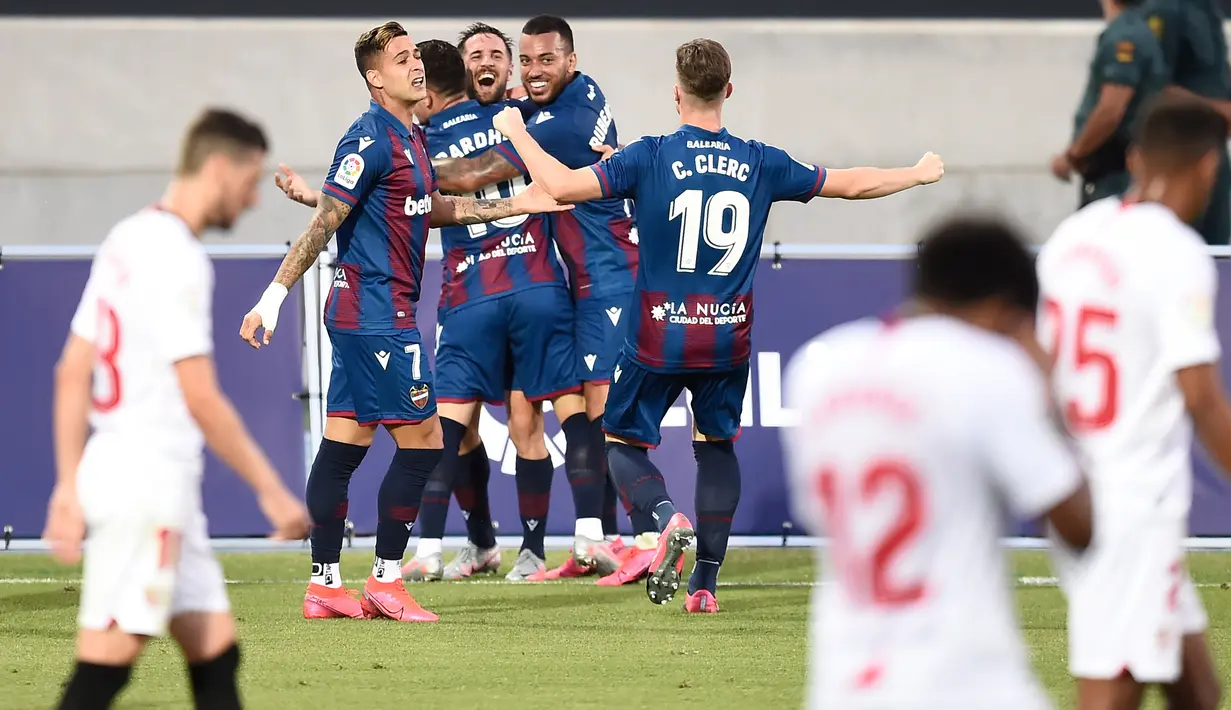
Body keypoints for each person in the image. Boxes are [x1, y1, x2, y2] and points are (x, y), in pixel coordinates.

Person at [489, 38, 944, 610]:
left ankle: (662, 517)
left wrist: (516, 130)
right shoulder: (759, 160)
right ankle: (704, 584)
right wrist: (918, 173)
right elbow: (850, 183)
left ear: (676, 94)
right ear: (727, 91)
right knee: (716, 447)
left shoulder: (648, 154)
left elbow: (557, 186)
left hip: (659, 331)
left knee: (621, 442)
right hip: (727, 335)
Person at [237, 21, 569, 622]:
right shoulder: (368, 139)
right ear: (374, 77)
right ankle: (385, 579)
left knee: (344, 444)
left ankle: (324, 585)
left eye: (416, 55)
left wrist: (517, 203)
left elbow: (435, 208)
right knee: (425, 444)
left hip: (372, 314)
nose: (416, 65)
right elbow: (326, 223)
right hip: (374, 317)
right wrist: (273, 296)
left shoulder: (411, 135)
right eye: (400, 59)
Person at [43, 108, 312, 710]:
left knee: (215, 648)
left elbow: (71, 372)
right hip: (149, 485)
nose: (248, 204)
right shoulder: (177, 256)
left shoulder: (128, 237)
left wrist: (67, 487)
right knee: (106, 663)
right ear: (218, 169)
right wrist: (271, 491)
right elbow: (201, 395)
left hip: (137, 478)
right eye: (249, 184)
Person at [781, 218, 1094, 710]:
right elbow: (1080, 526)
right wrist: (1050, 393)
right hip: (965, 682)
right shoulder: (986, 370)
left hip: (843, 685)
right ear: (1002, 309)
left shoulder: (818, 369)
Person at [429, 16, 659, 584]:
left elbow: (472, 174)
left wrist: (401, 175)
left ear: (570, 61)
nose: (533, 72)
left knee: (603, 419)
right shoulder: (542, 108)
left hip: (605, 279)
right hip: (570, 285)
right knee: (578, 412)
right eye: (525, 62)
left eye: (543, 62)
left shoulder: (550, 124)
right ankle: (592, 545)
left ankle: (645, 537)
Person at [1039, 94, 1229, 710]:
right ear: (1208, 168)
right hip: (1133, 506)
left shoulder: (1076, 235)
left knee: (1195, 686)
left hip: (1073, 495)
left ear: (1136, 157)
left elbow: (1041, 365)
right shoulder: (1176, 252)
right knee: (1114, 683)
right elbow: (1200, 398)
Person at [1052, 0, 1166, 206]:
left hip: (1116, 177)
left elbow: (1111, 110)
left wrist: (1072, 155)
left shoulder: (1125, 36)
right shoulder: (1141, 29)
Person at [1144, 0, 1231, 245]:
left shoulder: (1207, 9)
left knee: (1216, 248)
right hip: (1180, 157)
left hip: (1213, 150)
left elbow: (1214, 74)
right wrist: (1219, 110)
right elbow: (1155, 87)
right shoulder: (1165, 9)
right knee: (1175, 244)